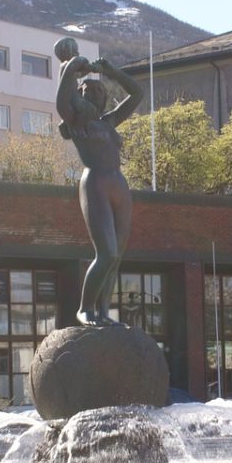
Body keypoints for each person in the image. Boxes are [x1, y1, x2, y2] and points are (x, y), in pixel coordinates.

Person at [54, 36, 144, 325]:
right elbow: (61, 100)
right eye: (88, 90)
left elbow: (137, 94)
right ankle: (86, 308)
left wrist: (112, 72)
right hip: (95, 184)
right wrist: (71, 67)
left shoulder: (108, 122)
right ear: (80, 96)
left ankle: (104, 312)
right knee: (105, 253)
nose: (95, 94)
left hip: (119, 184)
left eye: (99, 90)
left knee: (117, 256)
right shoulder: (76, 123)